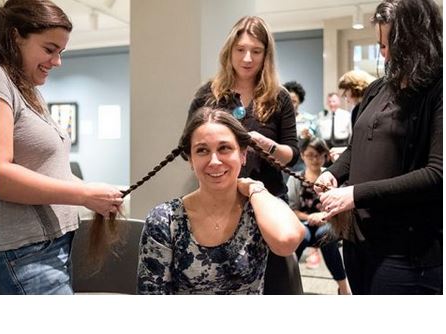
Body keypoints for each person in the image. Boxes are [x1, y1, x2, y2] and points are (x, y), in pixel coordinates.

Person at [315, 0, 442, 295]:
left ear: (416, 40)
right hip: (360, 243)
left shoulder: (438, 91)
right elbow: (354, 149)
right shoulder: (377, 89)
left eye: (389, 45)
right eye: (380, 46)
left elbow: (438, 174)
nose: (384, 54)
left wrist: (356, 194)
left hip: (407, 254)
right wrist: (333, 173)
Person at [0, 0, 123, 295]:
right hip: (26, 253)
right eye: (49, 49)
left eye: (61, 52)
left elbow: (48, 169)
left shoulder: (29, 91)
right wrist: (83, 195)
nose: (57, 62)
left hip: (51, 248)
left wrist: (92, 191)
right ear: (16, 37)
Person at [188, 16, 302, 294]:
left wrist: (268, 145)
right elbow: (188, 147)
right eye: (240, 50)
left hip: (269, 199)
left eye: (256, 51)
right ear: (229, 51)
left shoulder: (279, 97)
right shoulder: (208, 95)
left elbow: (292, 155)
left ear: (267, 55)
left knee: (276, 284)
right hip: (219, 205)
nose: (247, 58)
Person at [137, 108, 305, 294]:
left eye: (224, 148)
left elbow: (287, 241)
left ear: (243, 155)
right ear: (191, 160)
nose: (214, 161)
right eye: (202, 150)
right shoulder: (165, 220)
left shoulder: (257, 210)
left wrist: (255, 188)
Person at [287, 137, 350, 294]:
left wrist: (323, 215)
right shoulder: (295, 178)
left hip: (329, 222)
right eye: (310, 155)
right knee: (300, 236)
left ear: (326, 156)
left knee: (326, 235)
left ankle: (344, 288)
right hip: (304, 223)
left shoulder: (332, 177)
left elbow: (341, 205)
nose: (315, 159)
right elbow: (291, 209)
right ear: (302, 155)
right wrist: (310, 217)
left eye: (319, 155)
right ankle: (289, 286)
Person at [329, 70, 377, 162]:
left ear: (354, 88)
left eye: (346, 91)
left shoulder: (359, 110)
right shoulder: (373, 105)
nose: (344, 96)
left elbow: (360, 144)